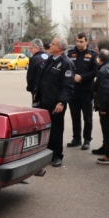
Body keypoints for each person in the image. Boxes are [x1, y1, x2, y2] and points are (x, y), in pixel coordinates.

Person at [34, 37, 75, 167]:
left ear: (59, 48)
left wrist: (61, 102)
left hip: (56, 103)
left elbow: (67, 86)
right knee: (45, 128)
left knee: (56, 130)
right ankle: (46, 152)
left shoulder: (66, 63)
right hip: (44, 100)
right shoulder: (50, 59)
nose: (50, 45)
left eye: (53, 44)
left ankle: (57, 155)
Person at [66, 32, 98, 150]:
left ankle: (87, 140)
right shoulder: (70, 53)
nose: (79, 44)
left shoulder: (92, 55)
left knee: (87, 117)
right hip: (73, 90)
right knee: (75, 116)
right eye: (77, 41)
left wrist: (82, 77)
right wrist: (73, 76)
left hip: (86, 90)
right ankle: (76, 138)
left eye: (81, 42)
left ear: (86, 42)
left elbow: (95, 71)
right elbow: (67, 68)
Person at [26, 39, 49, 103]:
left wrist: (30, 89)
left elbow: (30, 76)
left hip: (37, 90)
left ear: (37, 48)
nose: (30, 51)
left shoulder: (34, 59)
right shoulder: (50, 57)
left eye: (31, 48)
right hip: (49, 91)